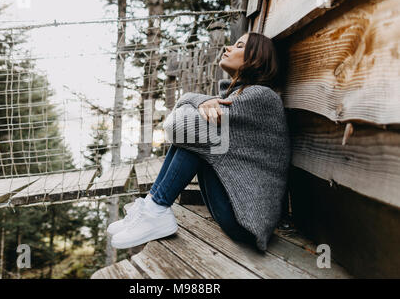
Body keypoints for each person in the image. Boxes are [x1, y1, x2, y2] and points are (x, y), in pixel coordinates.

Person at [107, 32, 291, 252]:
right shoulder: (239, 95)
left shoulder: (260, 98)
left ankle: (155, 209)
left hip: (246, 222)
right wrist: (202, 100)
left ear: (256, 58)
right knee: (196, 133)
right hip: (232, 209)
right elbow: (177, 126)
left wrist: (195, 102)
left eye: (239, 46)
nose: (228, 48)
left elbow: (176, 128)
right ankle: (152, 206)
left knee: (194, 134)